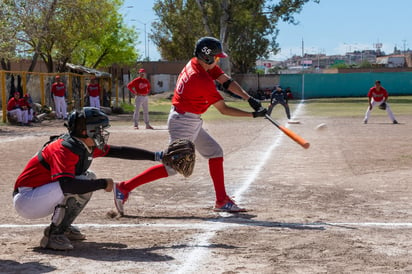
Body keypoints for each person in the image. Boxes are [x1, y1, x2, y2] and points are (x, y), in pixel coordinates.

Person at [114, 36, 267, 215]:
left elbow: (225, 80)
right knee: (173, 167)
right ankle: (124, 188)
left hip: (189, 119)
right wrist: (253, 115)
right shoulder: (200, 78)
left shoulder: (197, 62)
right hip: (183, 122)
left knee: (215, 152)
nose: (218, 60)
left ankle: (221, 200)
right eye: (217, 57)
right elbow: (223, 109)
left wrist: (249, 98)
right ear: (208, 57)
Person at [12, 107, 166, 251]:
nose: (101, 133)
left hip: (40, 194)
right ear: (86, 131)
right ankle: (54, 235)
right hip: (27, 199)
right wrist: (102, 184)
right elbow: (67, 185)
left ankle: (63, 227)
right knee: (79, 183)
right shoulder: (64, 149)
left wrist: (157, 156)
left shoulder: (82, 143)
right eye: (98, 129)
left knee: (87, 178)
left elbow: (119, 151)